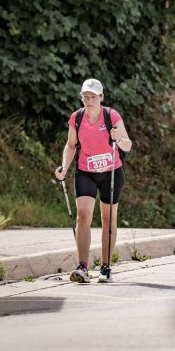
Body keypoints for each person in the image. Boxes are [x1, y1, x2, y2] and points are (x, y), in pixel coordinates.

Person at [54, 78, 132, 283]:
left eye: (92, 97)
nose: (88, 101)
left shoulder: (111, 116)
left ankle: (106, 268)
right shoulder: (77, 118)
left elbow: (128, 145)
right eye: (85, 97)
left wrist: (118, 139)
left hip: (111, 172)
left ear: (101, 97)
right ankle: (82, 267)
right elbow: (71, 145)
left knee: (108, 219)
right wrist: (64, 167)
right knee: (83, 215)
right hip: (85, 171)